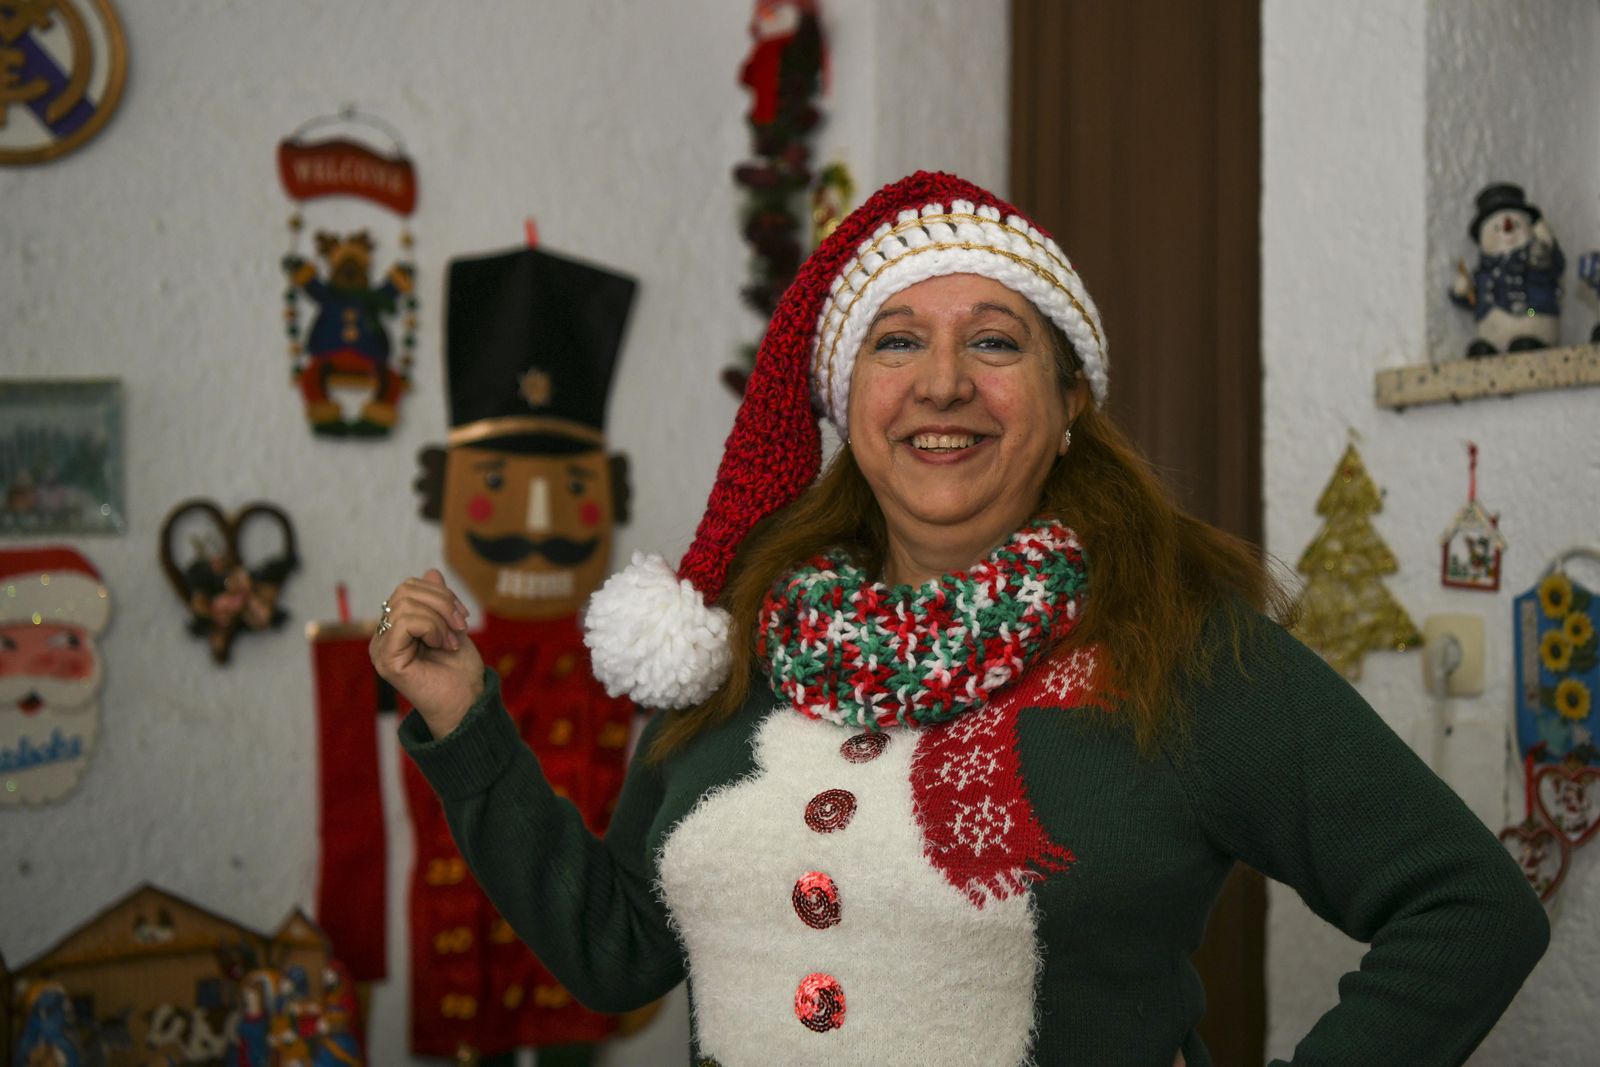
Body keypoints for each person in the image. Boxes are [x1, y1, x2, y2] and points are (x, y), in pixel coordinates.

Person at [373, 171, 1548, 1066]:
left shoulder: (1179, 647)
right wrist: (467, 725)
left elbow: (1467, 907)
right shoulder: (740, 642)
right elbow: (618, 949)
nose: (942, 382)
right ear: (847, 399)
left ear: (1068, 398)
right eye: (897, 342)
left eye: (994, 341)